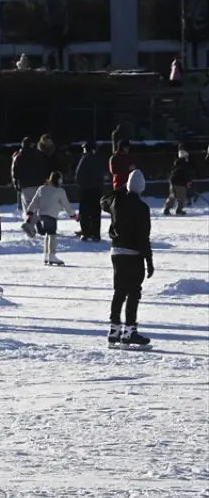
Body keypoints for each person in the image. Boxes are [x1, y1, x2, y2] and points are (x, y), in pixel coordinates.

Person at [106, 169, 154, 346]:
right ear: (142, 187)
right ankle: (130, 331)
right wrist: (148, 260)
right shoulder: (142, 208)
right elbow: (143, 237)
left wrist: (120, 189)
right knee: (133, 292)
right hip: (133, 254)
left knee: (119, 291)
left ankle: (114, 329)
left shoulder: (116, 202)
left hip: (116, 252)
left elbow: (103, 200)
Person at [28, 171, 74, 266]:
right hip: (51, 214)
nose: (61, 180)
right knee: (52, 234)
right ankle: (52, 256)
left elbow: (35, 201)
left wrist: (30, 212)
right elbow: (66, 204)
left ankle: (46, 255)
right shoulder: (60, 191)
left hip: (41, 214)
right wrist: (73, 215)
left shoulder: (42, 188)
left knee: (48, 234)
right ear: (57, 179)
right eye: (60, 178)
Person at [74, 143, 108, 241]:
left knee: (84, 213)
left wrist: (81, 185)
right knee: (96, 212)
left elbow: (78, 175)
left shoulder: (84, 159)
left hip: (85, 191)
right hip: (97, 190)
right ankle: (96, 233)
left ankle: (86, 232)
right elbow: (103, 174)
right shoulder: (98, 159)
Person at [11, 137, 45, 220]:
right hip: (37, 184)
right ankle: (38, 224)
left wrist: (16, 185)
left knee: (27, 208)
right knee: (37, 206)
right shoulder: (37, 155)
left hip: (24, 185)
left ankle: (30, 225)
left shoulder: (18, 157)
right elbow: (42, 169)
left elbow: (14, 173)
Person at [165, 149, 192, 216]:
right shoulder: (184, 164)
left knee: (172, 196)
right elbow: (186, 174)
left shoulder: (176, 163)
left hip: (172, 182)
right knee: (182, 197)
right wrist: (188, 181)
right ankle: (179, 210)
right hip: (180, 183)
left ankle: (167, 209)